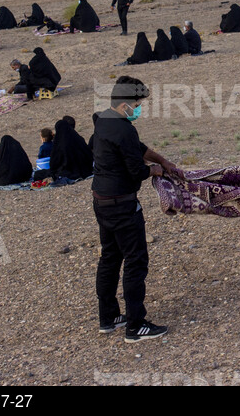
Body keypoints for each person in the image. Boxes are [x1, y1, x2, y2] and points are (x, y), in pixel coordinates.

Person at [90, 76, 178, 342]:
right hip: (123, 204)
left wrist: (161, 159)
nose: (140, 108)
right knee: (136, 261)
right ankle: (136, 325)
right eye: (138, 103)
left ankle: (109, 317)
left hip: (102, 201)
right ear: (127, 104)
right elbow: (136, 170)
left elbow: (137, 149)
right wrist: (155, 170)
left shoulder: (103, 119)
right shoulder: (125, 129)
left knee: (110, 258)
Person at [50, 116, 95, 181]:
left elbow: (54, 164)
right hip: (85, 170)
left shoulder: (59, 144)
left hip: (68, 172)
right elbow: (88, 155)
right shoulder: (78, 139)